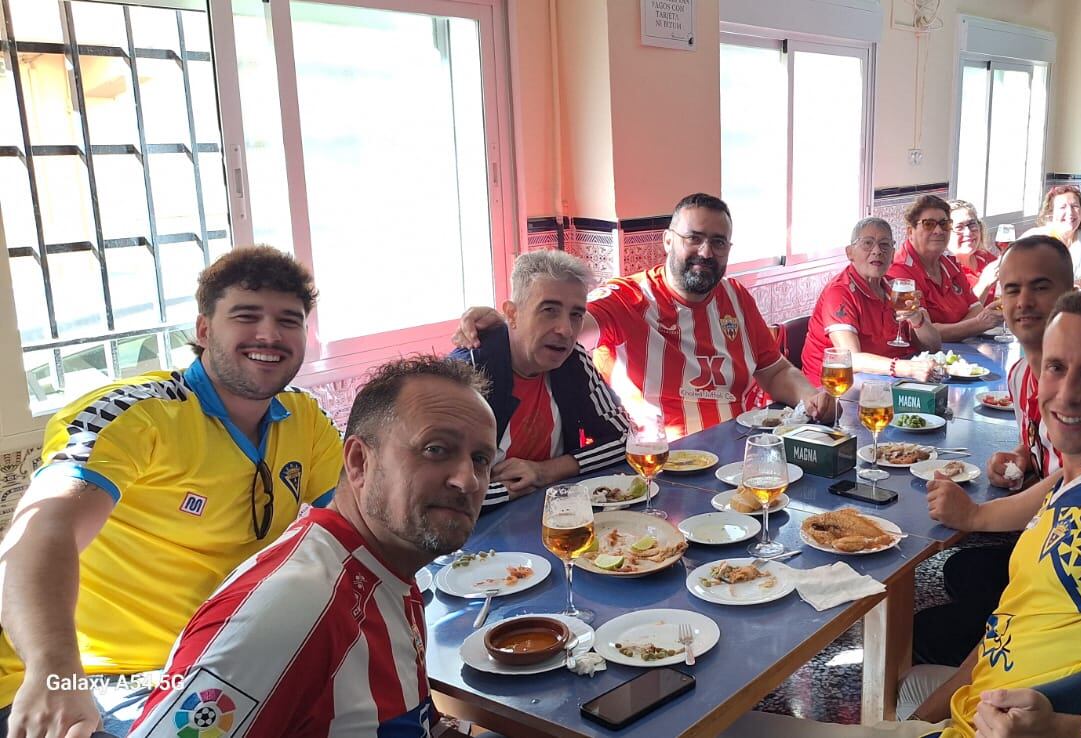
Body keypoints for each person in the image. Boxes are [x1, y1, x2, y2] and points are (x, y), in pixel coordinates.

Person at [728, 290, 1081, 738]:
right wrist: (911, 727)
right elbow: (1008, 636)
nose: (1066, 395)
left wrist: (1078, 730)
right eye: (1056, 367)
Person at [0, 246, 342, 737]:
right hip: (96, 681)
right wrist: (54, 668)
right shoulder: (135, 415)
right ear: (204, 331)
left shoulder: (303, 417)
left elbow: (357, 519)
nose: (270, 334)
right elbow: (41, 534)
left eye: (289, 320)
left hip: (224, 664)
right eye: (246, 316)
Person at [127, 356, 496, 736]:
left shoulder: (389, 570)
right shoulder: (295, 606)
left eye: (481, 459)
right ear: (358, 462)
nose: (467, 480)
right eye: (436, 449)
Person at [912, 236, 1081, 669]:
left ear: (1069, 294)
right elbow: (1051, 455)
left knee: (928, 629)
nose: (1025, 301)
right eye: (1012, 289)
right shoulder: (1019, 374)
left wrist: (975, 516)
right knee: (963, 570)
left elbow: (1080, 477)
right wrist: (1021, 455)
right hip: (1055, 533)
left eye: (1040, 286)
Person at [453, 193, 836, 439]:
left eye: (718, 243)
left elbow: (773, 369)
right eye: (694, 238)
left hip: (738, 453)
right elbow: (567, 327)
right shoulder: (626, 298)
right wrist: (506, 327)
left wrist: (810, 395)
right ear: (668, 240)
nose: (706, 251)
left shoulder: (736, 297)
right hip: (659, 466)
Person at [448, 251, 630, 506]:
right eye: (549, 310)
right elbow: (438, 490)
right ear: (511, 314)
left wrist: (546, 471)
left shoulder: (573, 361)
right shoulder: (468, 373)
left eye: (576, 314)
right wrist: (508, 490)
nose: (565, 330)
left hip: (557, 517)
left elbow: (625, 439)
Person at [800, 218, 941, 384]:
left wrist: (916, 318)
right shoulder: (839, 292)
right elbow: (851, 358)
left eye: (885, 245)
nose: (877, 251)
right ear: (849, 252)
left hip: (884, 380)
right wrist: (906, 368)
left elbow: (933, 346)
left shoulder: (895, 288)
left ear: (892, 253)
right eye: (867, 243)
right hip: (834, 390)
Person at [887, 195, 1005, 340]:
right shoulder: (901, 272)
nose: (938, 231)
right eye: (928, 224)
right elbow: (924, 333)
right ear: (910, 232)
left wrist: (956, 331)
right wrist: (978, 324)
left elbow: (975, 309)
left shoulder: (949, 264)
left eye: (944, 224)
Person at [1021, 185, 1081, 288]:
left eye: (1075, 206)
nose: (1070, 212)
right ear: (1050, 213)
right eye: (1062, 207)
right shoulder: (1034, 239)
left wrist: (1073, 287)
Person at [947, 199, 999, 304]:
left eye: (972, 224)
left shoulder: (985, 258)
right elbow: (964, 314)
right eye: (959, 227)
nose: (968, 232)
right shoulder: (945, 271)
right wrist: (985, 283)